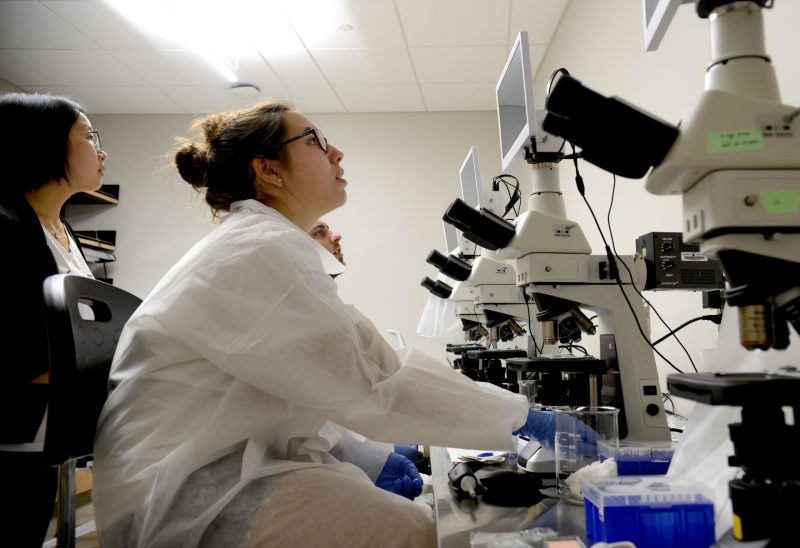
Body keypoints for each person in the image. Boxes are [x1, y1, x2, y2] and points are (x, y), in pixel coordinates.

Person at [92, 100, 557, 548]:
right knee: (422, 533)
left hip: (216, 468)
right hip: (188, 495)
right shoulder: (259, 249)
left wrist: (368, 456)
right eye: (315, 140)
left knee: (431, 518)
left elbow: (318, 381)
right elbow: (371, 378)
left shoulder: (266, 242)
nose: (336, 152)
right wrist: (523, 416)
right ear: (269, 170)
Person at [0, 92, 107, 547]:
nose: (101, 150)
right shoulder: (4, 229)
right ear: (42, 144)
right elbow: (16, 349)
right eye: (88, 136)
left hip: (46, 431)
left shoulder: (63, 233)